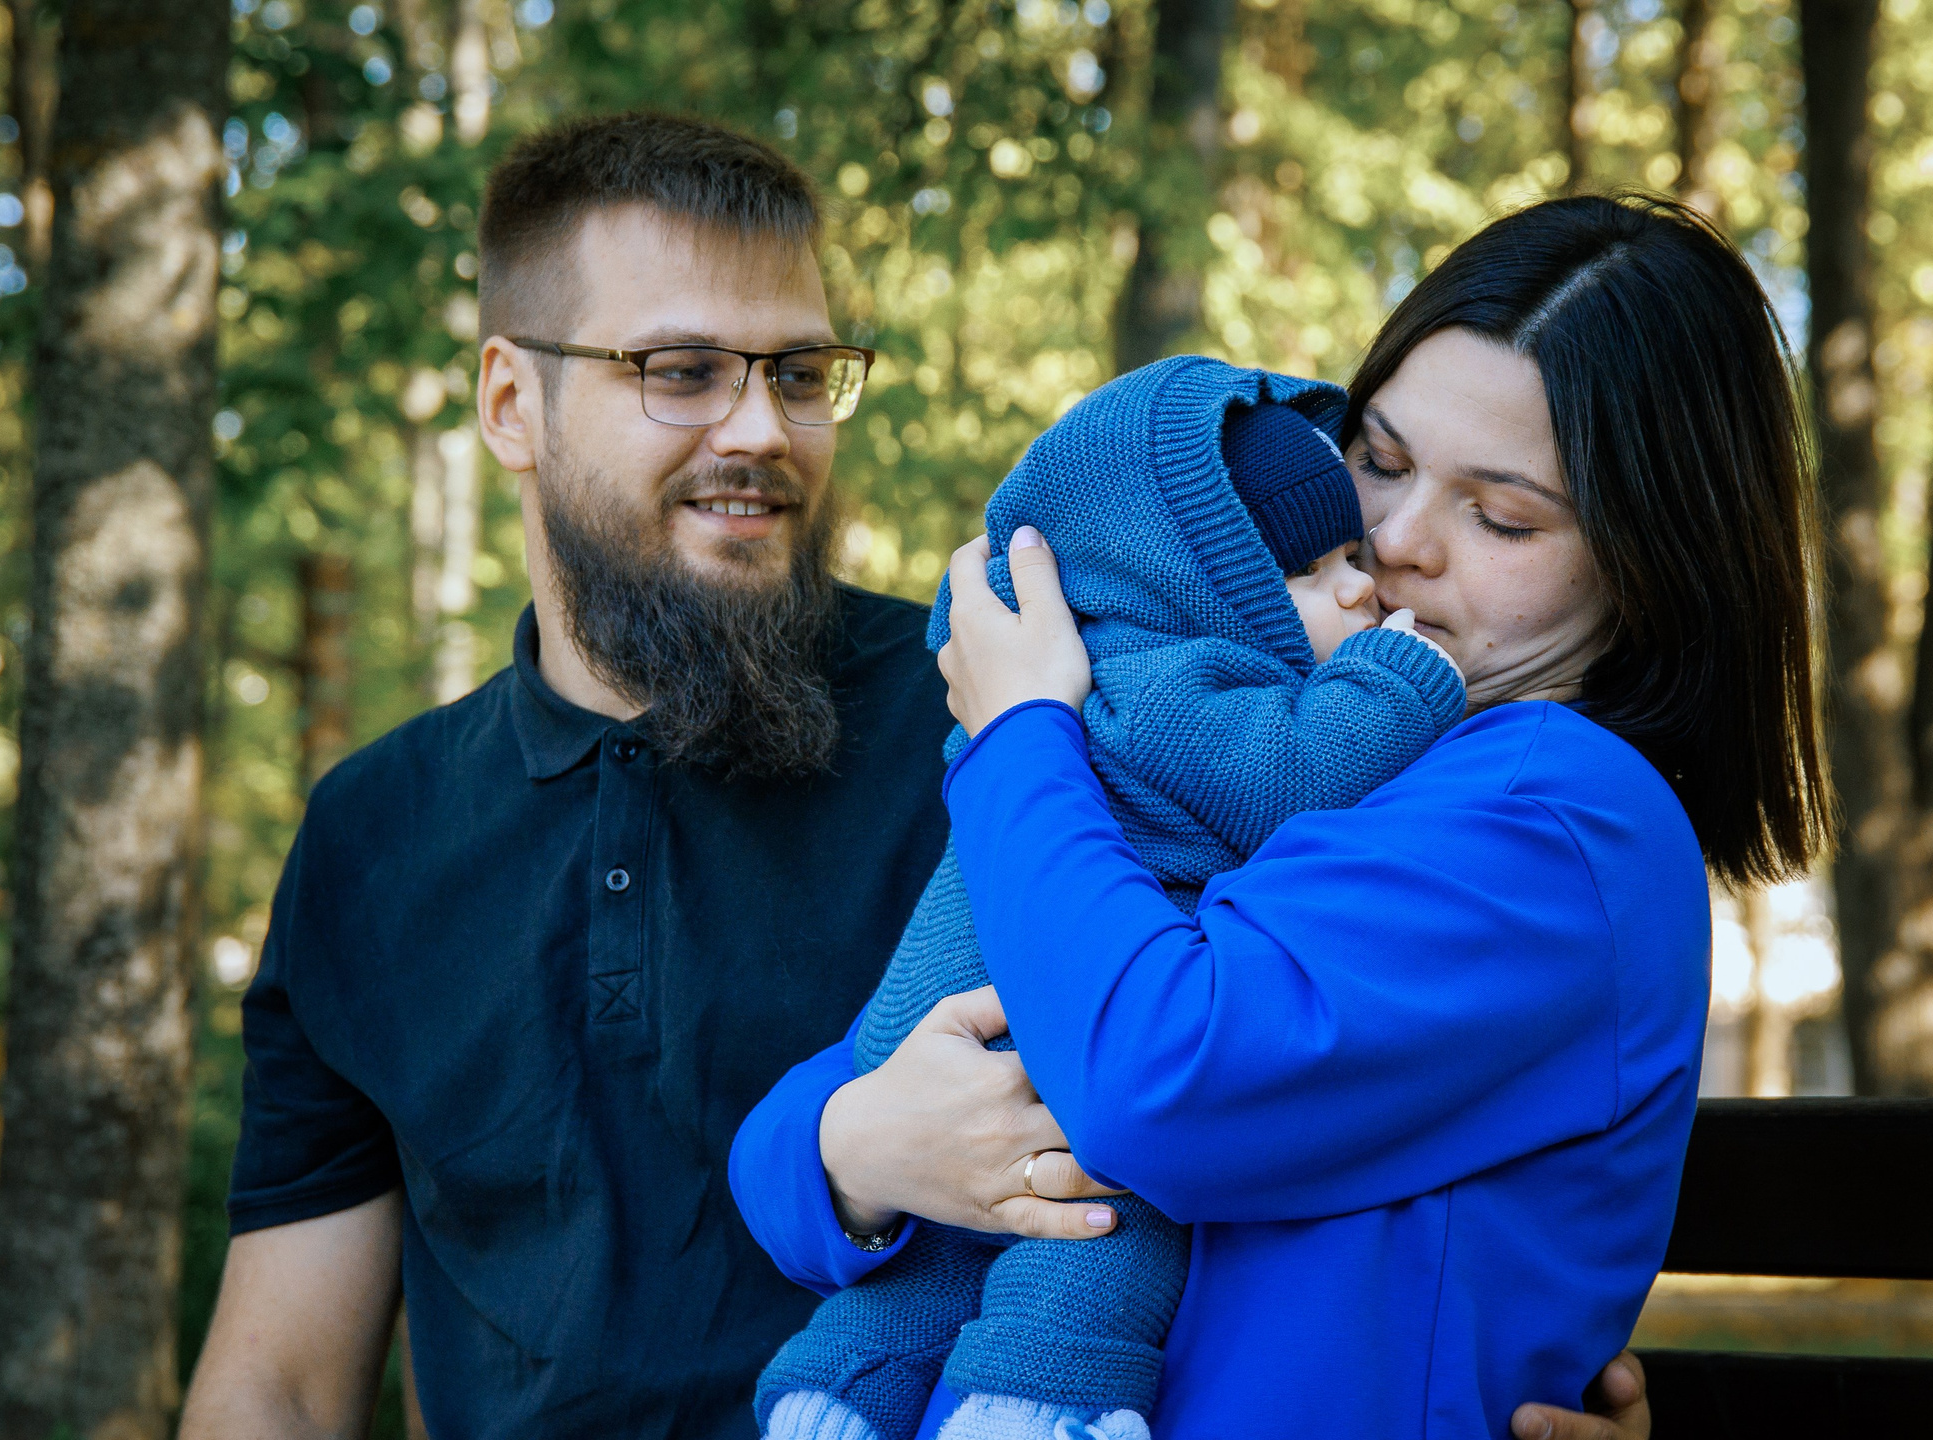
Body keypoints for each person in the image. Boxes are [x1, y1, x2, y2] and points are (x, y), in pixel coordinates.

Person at [175, 109, 1651, 1440]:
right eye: (678, 371)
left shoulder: (1027, 712)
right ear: (509, 402)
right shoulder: (372, 839)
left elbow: (1357, 1023)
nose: (759, 427)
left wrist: (1505, 1362)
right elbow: (280, 1384)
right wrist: (842, 1146)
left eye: (801, 372)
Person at [734, 195, 1830, 1436]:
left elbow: (1158, 1084)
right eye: (1380, 461)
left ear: (1651, 562)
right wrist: (856, 1147)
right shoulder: (1299, 733)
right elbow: (822, 1111)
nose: (1400, 542)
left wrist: (1019, 737)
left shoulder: (1554, 813)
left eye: (1503, 515)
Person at [756, 361, 1466, 1440]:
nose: (1365, 589)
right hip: (1029, 1045)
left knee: (956, 1256)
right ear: (1209, 588)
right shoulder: (1172, 692)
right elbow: (1293, 775)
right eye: (1313, 571)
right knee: (1102, 1215)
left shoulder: (1093, 688)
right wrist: (1401, 683)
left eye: (1353, 558)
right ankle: (1042, 1403)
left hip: (951, 1031)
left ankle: (837, 1394)